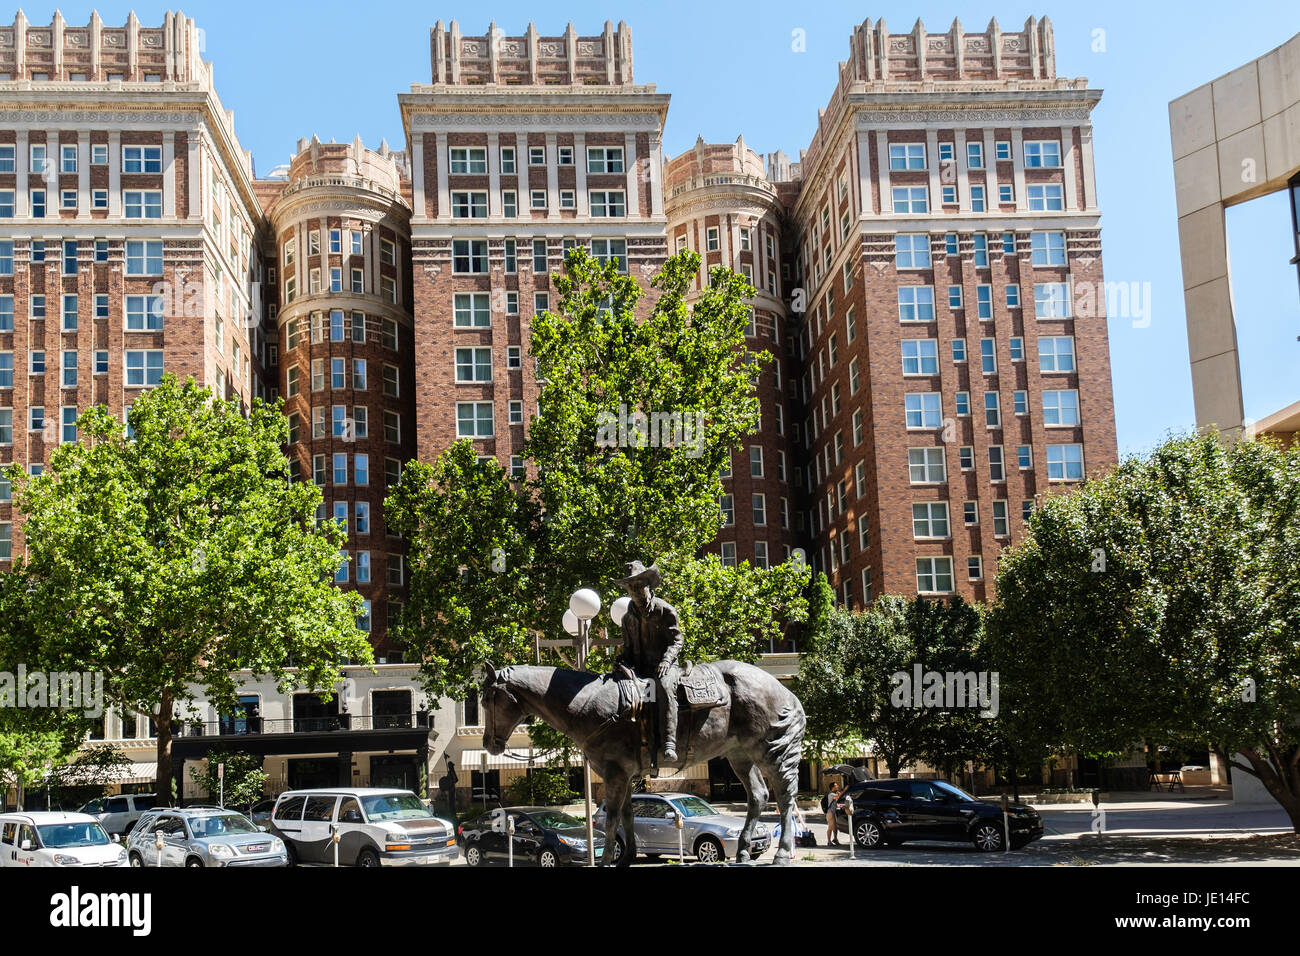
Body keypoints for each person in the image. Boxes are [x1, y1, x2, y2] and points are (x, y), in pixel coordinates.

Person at [613, 560, 684, 771]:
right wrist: (620, 662)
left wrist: (666, 660)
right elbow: (628, 647)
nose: (635, 591)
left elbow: (676, 640)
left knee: (662, 687)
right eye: (630, 587)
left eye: (638, 585)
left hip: (664, 665)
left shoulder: (664, 610)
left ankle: (669, 743)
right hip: (639, 668)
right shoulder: (627, 619)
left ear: (648, 585)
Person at [822, 781, 844, 845]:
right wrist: (845, 790)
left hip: (834, 813)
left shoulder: (837, 793)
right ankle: (829, 841)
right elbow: (838, 797)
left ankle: (835, 839)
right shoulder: (831, 794)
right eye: (836, 785)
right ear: (833, 787)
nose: (837, 786)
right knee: (830, 827)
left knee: (835, 827)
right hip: (830, 813)